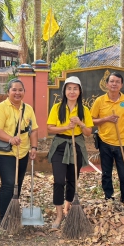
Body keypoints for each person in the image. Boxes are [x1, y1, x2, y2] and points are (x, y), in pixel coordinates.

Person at [47, 76, 93, 228]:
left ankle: (68, 208)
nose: (72, 92)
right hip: (60, 146)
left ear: (80, 92)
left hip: (76, 145)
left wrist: (80, 123)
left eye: (75, 88)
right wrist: (66, 127)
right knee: (59, 181)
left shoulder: (84, 110)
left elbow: (88, 132)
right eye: (69, 88)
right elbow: (50, 128)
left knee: (72, 180)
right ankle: (59, 215)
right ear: (64, 91)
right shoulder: (57, 108)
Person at [0, 79, 38, 224]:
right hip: (6, 153)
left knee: (18, 184)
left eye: (20, 90)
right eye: (14, 90)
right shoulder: (0, 108)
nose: (17, 93)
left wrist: (34, 147)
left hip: (22, 152)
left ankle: (13, 213)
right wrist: (10, 139)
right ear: (8, 92)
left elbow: (34, 130)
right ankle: (3, 218)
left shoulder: (28, 109)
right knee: (9, 183)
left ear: (24, 92)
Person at [90, 72, 124, 202]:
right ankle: (108, 198)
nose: (114, 84)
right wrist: (106, 119)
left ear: (121, 85)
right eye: (111, 81)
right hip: (104, 142)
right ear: (107, 84)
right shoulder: (100, 101)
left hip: (122, 143)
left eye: (117, 82)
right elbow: (91, 120)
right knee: (106, 173)